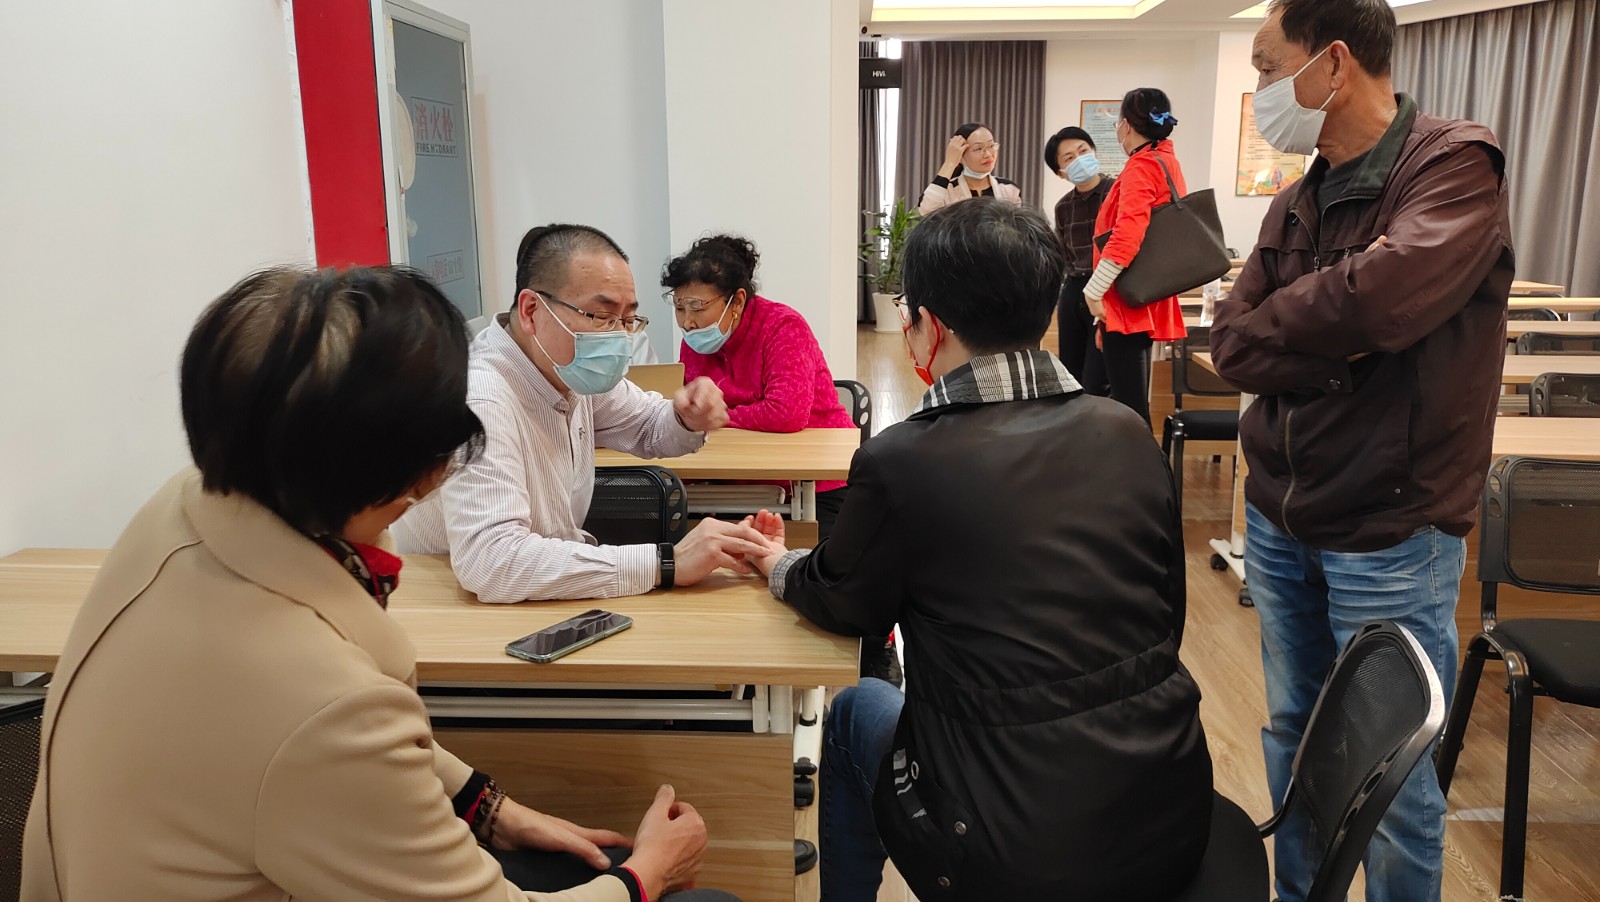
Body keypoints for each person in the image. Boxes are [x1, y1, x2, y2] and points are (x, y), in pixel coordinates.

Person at [21, 266, 737, 902]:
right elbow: (341, 729)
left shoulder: (182, 507)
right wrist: (648, 873)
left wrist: (489, 807)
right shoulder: (325, 701)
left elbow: (334, 743)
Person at [746, 198, 1214, 901]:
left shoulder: (905, 460)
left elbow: (845, 604)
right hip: (1168, 813)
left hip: (1008, 852)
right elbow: (1166, 617)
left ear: (929, 326)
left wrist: (775, 563)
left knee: (854, 709)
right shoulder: (1126, 431)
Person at [1209, 2, 1514, 900]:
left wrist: (1335, 323)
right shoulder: (1300, 195)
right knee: (1294, 739)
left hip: (1391, 528)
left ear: (1333, 63)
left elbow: (1378, 304)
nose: (1261, 90)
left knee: (1391, 777)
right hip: (1280, 516)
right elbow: (1231, 343)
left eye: (1268, 68)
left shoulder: (1452, 165)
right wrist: (1342, 350)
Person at [393, 224, 770, 603]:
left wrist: (687, 415)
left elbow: (647, 425)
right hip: (455, 607)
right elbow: (492, 561)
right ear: (531, 311)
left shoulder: (566, 369)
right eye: (601, 316)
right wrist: (666, 563)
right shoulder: (481, 398)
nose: (618, 337)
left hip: (534, 590)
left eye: (628, 320)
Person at [662, 233, 902, 686]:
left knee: (846, 575)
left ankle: (878, 647)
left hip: (819, 478)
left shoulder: (782, 326)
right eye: (679, 308)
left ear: (736, 301)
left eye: (697, 307)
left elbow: (786, 412)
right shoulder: (696, 342)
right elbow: (694, 414)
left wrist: (720, 416)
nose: (688, 322)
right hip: (739, 479)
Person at [1082, 88, 1191, 426]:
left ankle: (1139, 461)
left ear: (1126, 125)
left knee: (1129, 409)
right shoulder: (1165, 160)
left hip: (1127, 299)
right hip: (1142, 293)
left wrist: (1094, 290)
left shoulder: (1141, 166)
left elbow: (1128, 233)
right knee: (1115, 397)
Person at [1043, 125, 1115, 390]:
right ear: (1061, 172)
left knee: (1097, 378)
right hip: (1074, 290)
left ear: (1094, 151)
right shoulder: (1063, 206)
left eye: (1083, 151)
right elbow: (1062, 255)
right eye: (1069, 157)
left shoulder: (1116, 192)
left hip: (1107, 289)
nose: (1079, 159)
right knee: (1070, 375)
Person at [917, 122, 1022, 215]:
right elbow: (926, 211)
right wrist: (950, 163)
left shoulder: (1009, 189)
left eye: (991, 146)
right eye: (978, 149)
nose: (988, 154)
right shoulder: (948, 191)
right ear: (960, 156)